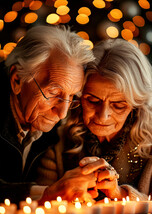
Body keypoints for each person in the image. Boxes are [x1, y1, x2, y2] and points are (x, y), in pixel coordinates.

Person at [38, 38, 152, 202]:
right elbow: (39, 204)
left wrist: (119, 194)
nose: (102, 115)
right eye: (92, 101)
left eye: (118, 105)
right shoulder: (57, 139)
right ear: (79, 96)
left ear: (136, 105)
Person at [0, 24, 95, 205]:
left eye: (72, 97)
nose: (62, 114)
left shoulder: (53, 128)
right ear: (18, 80)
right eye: (54, 93)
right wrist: (46, 193)